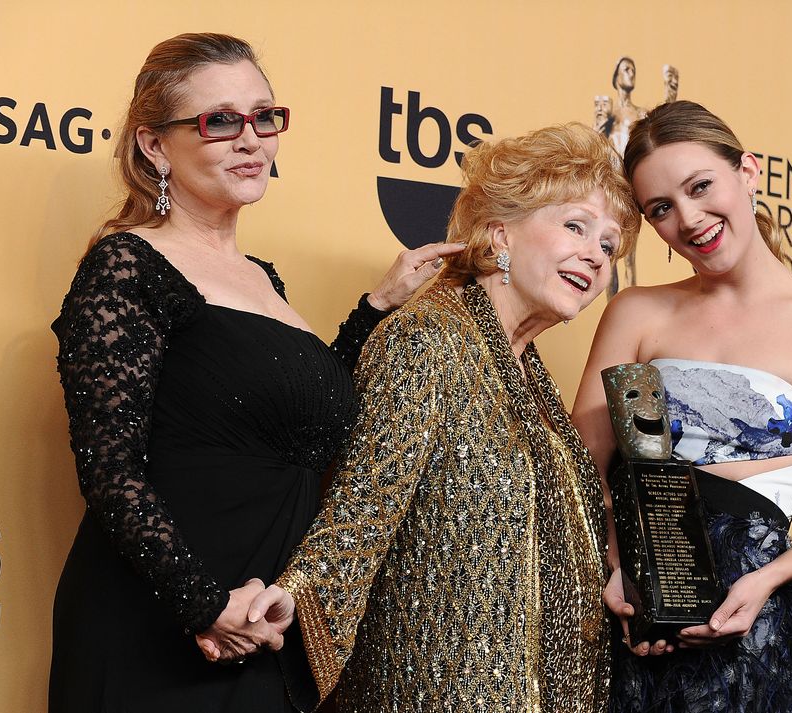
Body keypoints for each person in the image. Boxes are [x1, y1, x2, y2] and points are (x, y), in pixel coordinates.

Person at [48, 33, 461, 713]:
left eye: (263, 117)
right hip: (165, 627)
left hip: (265, 619)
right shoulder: (128, 265)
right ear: (155, 146)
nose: (251, 139)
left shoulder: (262, 278)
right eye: (219, 121)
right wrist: (204, 605)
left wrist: (375, 308)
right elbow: (108, 468)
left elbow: (298, 425)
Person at [243, 123, 641, 711]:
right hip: (436, 685)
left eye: (609, 246)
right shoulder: (427, 340)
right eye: (575, 226)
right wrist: (298, 596)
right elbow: (364, 506)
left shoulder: (532, 379)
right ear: (499, 233)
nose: (594, 255)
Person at [571, 100, 792, 712]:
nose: (689, 219)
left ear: (746, 171)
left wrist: (767, 580)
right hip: (635, 615)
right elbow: (582, 468)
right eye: (661, 209)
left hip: (756, 623)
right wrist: (616, 563)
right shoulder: (636, 313)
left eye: (701, 186)